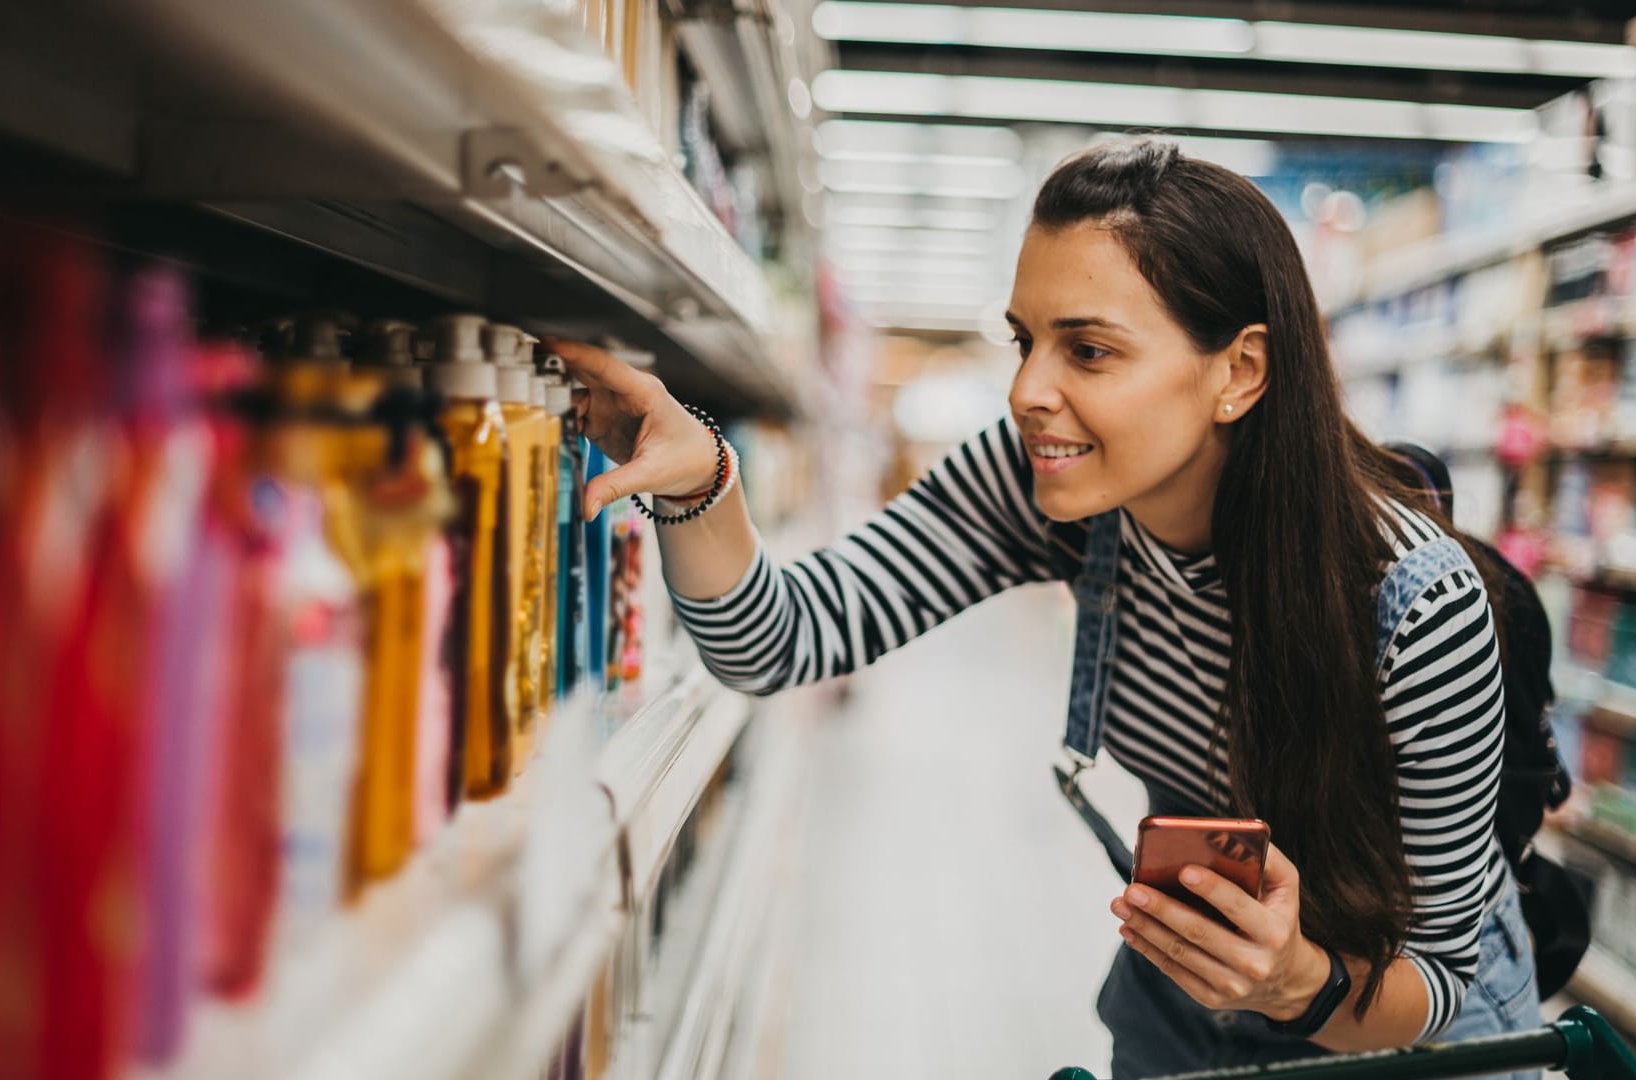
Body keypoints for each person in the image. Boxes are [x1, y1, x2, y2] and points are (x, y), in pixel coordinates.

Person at [548, 136, 1541, 1078]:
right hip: (1188, 1007)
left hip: (1402, 1038)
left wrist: (1292, 982)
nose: (1028, 389)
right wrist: (698, 479)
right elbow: (780, 639)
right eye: (1025, 340)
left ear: (1239, 372)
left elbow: (1441, 975)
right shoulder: (1037, 479)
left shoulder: (1416, 606)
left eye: (1090, 350)